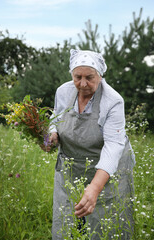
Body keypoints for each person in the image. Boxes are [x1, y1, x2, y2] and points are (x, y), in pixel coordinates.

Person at [48, 49, 135, 239]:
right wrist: (52, 133)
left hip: (107, 171)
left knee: (106, 226)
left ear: (100, 75)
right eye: (77, 77)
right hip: (72, 167)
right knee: (66, 222)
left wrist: (94, 188)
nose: (83, 83)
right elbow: (56, 116)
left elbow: (113, 146)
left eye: (90, 77)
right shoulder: (63, 91)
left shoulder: (113, 101)